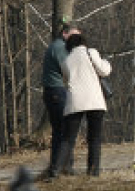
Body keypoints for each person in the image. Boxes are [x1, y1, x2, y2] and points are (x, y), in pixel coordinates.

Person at [53, 33, 111, 176]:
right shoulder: (91, 52)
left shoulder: (65, 61)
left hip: (75, 101)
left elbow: (66, 78)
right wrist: (106, 62)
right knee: (94, 138)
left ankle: (56, 169)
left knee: (67, 138)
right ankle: (93, 171)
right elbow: (105, 71)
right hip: (95, 100)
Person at [41, 21, 80, 176]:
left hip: (55, 91)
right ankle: (61, 167)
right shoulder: (59, 48)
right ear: (65, 33)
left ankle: (61, 165)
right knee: (63, 130)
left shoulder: (59, 47)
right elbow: (68, 69)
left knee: (62, 130)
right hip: (57, 92)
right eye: (75, 36)